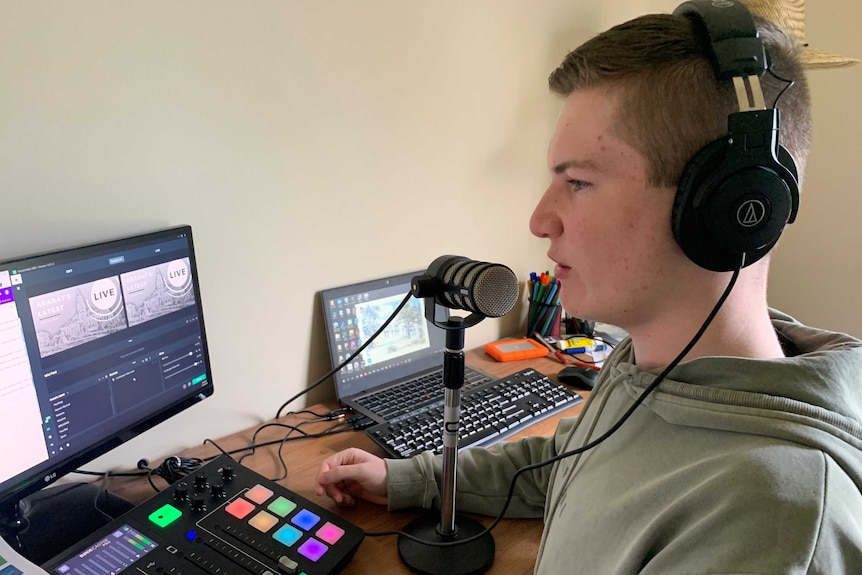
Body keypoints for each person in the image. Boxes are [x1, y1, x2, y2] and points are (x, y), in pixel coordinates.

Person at [316, 2, 862, 573]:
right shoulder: (648, 367)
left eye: (578, 182)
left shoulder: (767, 521)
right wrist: (409, 479)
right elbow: (566, 463)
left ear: (727, 208)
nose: (539, 220)